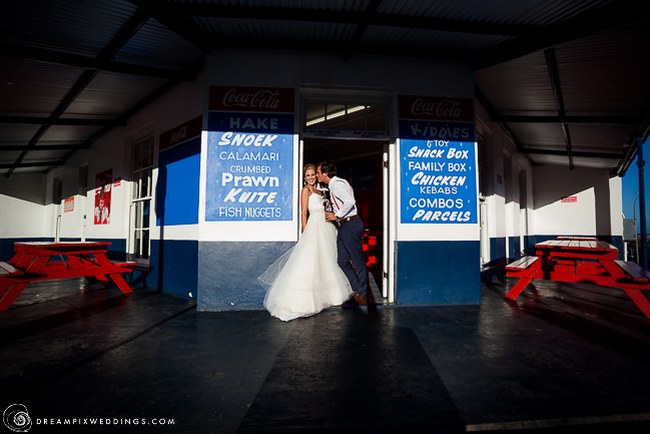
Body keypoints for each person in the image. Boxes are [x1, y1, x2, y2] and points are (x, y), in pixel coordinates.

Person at [258, 164, 352, 321]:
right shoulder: (306, 191)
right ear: (304, 178)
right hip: (314, 227)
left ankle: (329, 295)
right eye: (307, 175)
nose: (310, 177)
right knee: (311, 261)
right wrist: (305, 230)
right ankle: (306, 300)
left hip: (327, 228)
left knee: (327, 260)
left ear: (316, 175)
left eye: (312, 174)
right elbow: (303, 212)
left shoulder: (322, 190)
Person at [316, 161, 369, 306]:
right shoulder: (337, 183)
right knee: (342, 261)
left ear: (325, 174)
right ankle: (358, 290)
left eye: (319, 173)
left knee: (357, 261)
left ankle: (363, 294)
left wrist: (336, 215)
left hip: (350, 224)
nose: (317, 175)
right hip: (345, 225)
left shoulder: (336, 184)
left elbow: (349, 201)